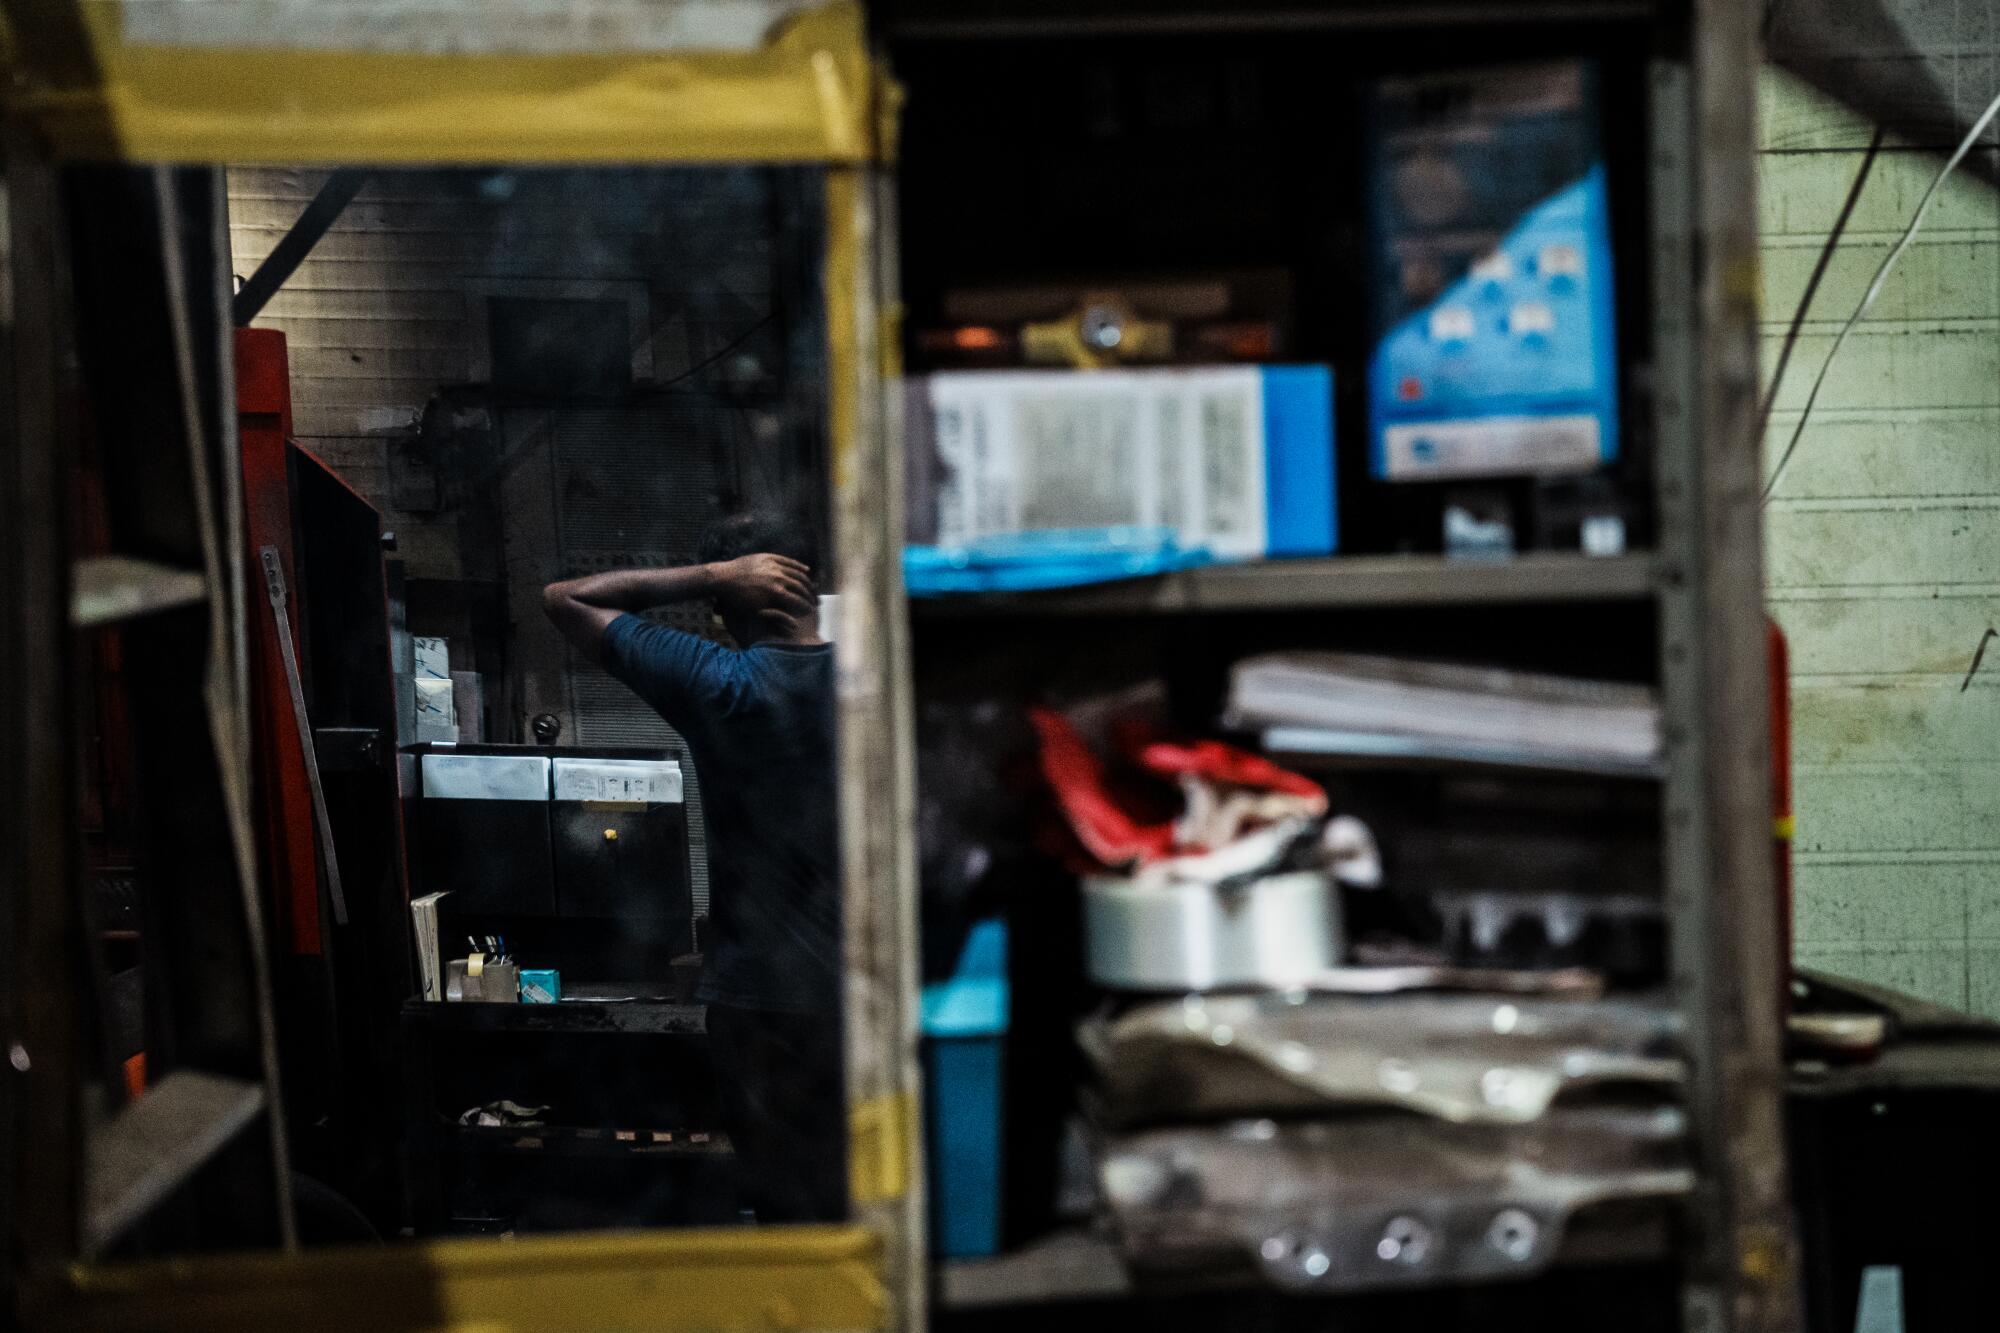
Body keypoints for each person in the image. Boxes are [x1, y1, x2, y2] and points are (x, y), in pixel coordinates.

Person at [541, 512, 844, 1223]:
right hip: (863, 1000)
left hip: (758, 1006)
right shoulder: (871, 684)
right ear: (814, 584)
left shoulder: (720, 685)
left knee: (786, 1215)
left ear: (722, 611)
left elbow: (565, 599)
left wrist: (712, 577)